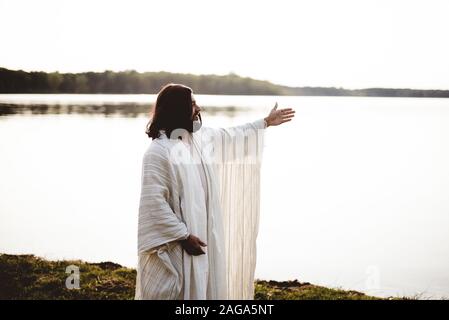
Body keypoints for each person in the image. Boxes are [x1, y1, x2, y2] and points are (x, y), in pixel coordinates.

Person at [135, 83, 295, 299]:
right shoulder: (158, 152)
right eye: (192, 104)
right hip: (178, 243)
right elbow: (153, 204)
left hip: (202, 234)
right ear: (177, 109)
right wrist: (183, 236)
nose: (198, 108)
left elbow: (231, 137)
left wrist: (265, 122)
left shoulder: (197, 140)